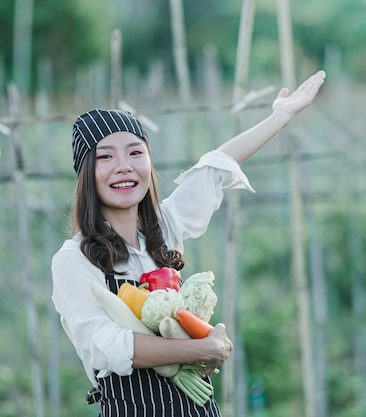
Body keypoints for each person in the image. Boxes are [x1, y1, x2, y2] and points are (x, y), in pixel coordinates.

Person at [51, 70, 326, 416]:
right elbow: (107, 348)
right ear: (86, 174)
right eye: (105, 157)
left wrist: (279, 117)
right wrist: (201, 348)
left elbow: (213, 168)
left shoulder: (164, 228)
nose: (123, 167)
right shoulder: (73, 259)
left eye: (135, 153)